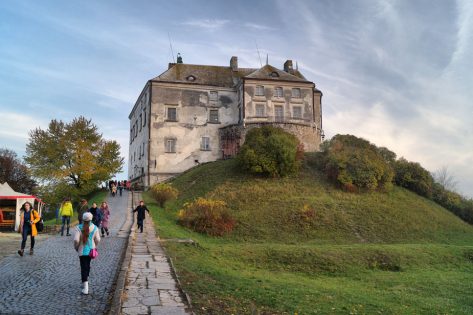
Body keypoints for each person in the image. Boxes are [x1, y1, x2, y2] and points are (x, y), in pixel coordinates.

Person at [73, 212, 100, 295]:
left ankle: (85, 287)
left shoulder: (78, 227)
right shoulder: (95, 228)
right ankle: (86, 281)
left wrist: (76, 247)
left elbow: (76, 240)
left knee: (83, 268)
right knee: (87, 265)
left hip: (82, 250)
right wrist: (94, 246)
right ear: (91, 219)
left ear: (83, 219)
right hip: (91, 250)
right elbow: (98, 239)